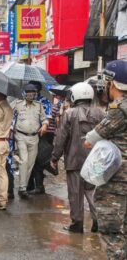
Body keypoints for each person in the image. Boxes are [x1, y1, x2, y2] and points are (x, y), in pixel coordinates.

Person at [85, 60, 127, 259]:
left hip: (118, 181)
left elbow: (92, 138)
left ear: (113, 84)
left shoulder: (120, 110)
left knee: (112, 232)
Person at [51, 82, 104, 233]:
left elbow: (61, 138)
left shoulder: (69, 113)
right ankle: (97, 220)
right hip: (95, 160)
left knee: (75, 193)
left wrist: (55, 157)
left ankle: (77, 223)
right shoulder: (100, 113)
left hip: (74, 160)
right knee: (92, 191)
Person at [13, 84, 48, 199]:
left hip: (34, 137)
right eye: (29, 93)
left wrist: (44, 125)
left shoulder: (38, 105)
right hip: (21, 136)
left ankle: (23, 186)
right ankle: (23, 188)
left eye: (33, 94)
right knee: (24, 160)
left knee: (30, 163)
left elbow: (44, 119)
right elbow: (9, 115)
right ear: (24, 94)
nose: (31, 96)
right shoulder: (17, 104)